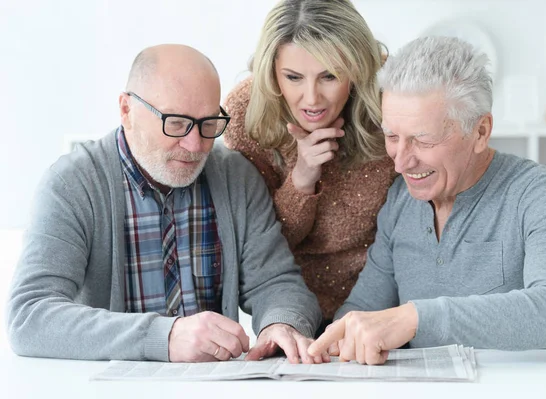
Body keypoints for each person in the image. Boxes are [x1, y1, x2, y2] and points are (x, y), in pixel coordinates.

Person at [6, 44, 327, 364]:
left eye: (208, 124)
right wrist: (166, 337)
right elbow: (30, 316)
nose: (195, 145)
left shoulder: (235, 177)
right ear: (126, 110)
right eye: (175, 123)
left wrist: (280, 322)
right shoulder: (72, 185)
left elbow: (277, 282)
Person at [308, 36, 546, 364]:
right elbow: (364, 306)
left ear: (480, 132)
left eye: (423, 140)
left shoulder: (536, 192)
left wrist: (414, 319)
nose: (400, 162)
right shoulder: (399, 201)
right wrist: (340, 335)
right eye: (392, 137)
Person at [223, 0, 397, 329]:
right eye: (293, 77)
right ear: (271, 72)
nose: (312, 98)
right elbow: (258, 250)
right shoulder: (245, 114)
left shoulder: (387, 106)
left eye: (329, 76)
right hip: (289, 310)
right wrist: (301, 179)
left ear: (357, 70)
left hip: (383, 305)